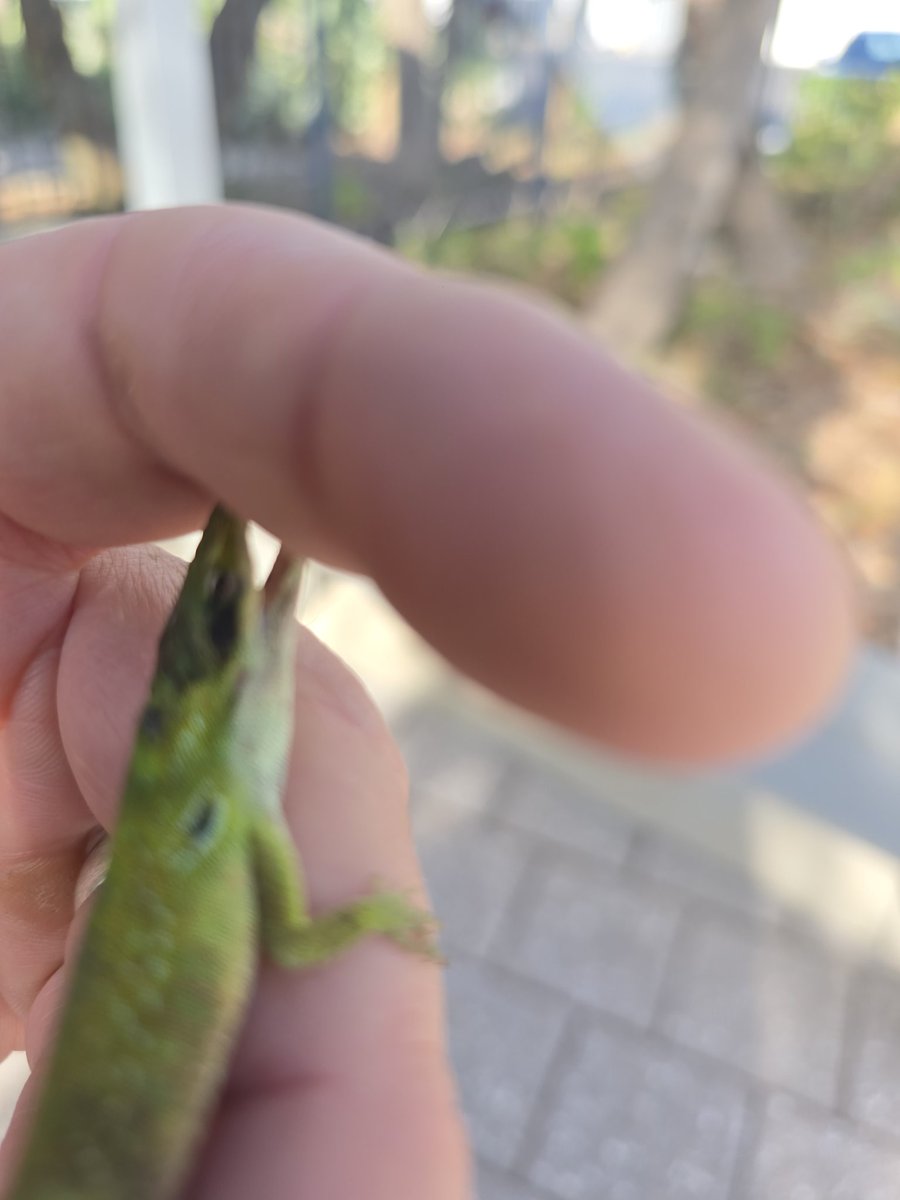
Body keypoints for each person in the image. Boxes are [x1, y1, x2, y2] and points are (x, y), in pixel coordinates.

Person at [0, 205, 854, 1198]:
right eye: (234, 619)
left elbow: (304, 922)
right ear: (209, 706)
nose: (262, 595)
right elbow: (306, 932)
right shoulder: (221, 801)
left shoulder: (207, 800)